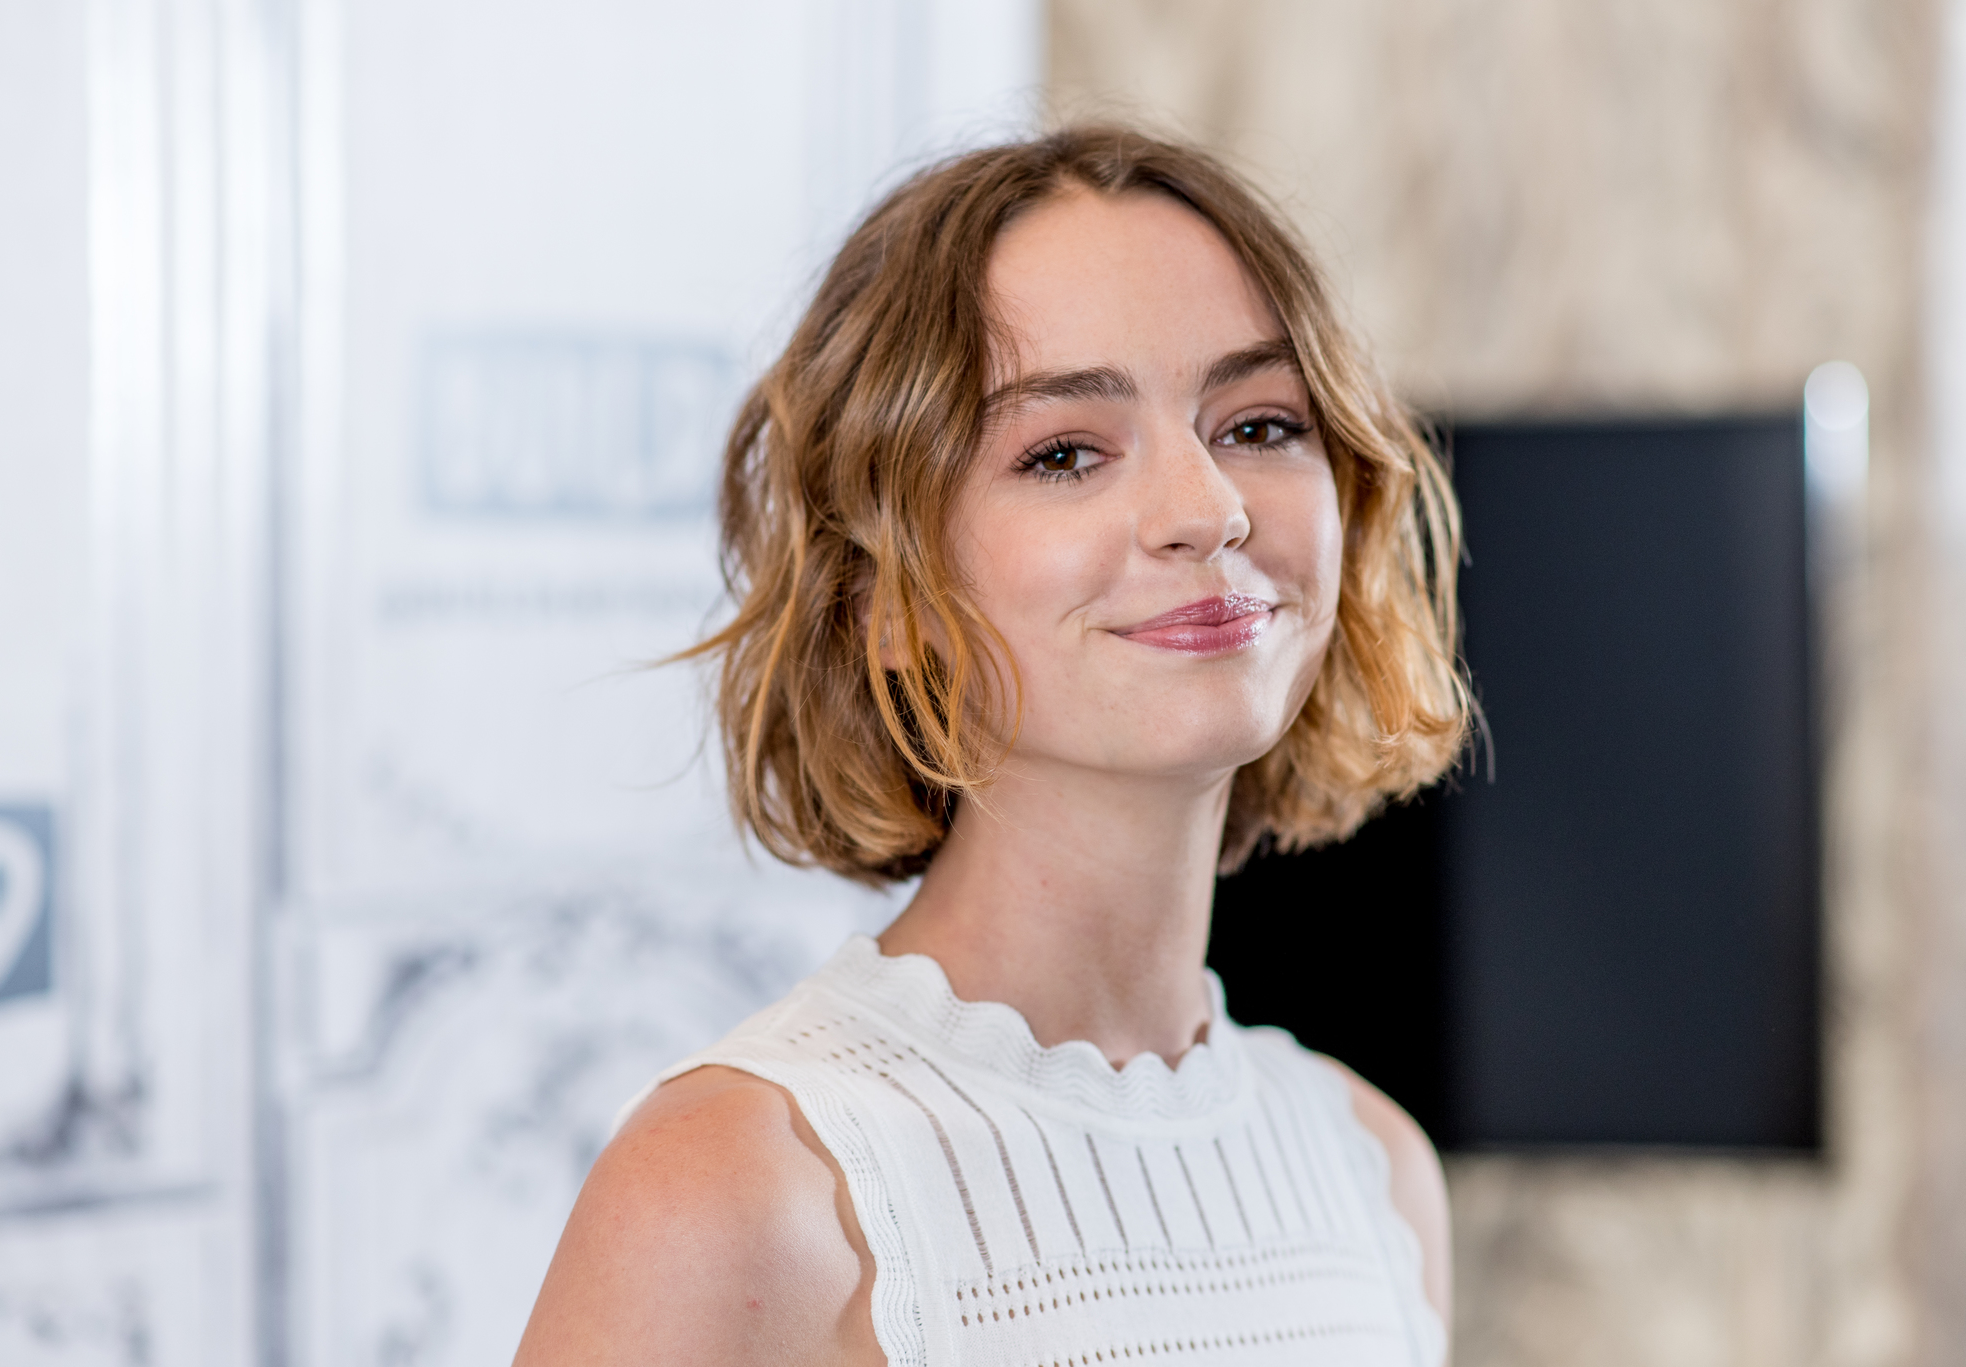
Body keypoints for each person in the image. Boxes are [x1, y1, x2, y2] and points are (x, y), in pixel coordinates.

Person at [514, 126, 1469, 1366]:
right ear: (883, 596)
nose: (1208, 508)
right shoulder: (733, 1190)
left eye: (1258, 423)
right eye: (1063, 452)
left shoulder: (1372, 1173)